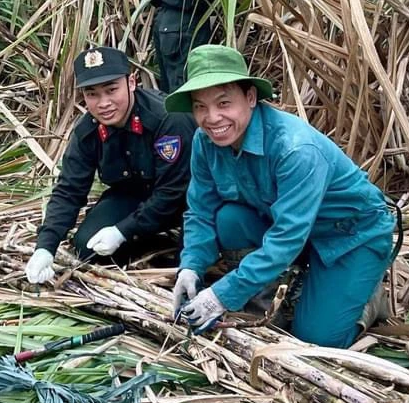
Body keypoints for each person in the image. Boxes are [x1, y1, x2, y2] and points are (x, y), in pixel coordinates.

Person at [167, 45, 396, 348]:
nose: (212, 118)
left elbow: (287, 238)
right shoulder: (205, 141)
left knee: (317, 340)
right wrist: (191, 265)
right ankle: (267, 302)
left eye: (224, 103)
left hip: (349, 237)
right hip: (287, 228)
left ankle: (369, 299)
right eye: (200, 107)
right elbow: (200, 210)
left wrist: (221, 295)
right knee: (229, 218)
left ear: (250, 98)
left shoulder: (295, 149)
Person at [24, 46, 196, 284]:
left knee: (187, 266)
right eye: (92, 94)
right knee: (87, 247)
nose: (103, 103)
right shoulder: (88, 130)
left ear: (132, 82)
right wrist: (45, 247)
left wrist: (122, 231)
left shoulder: (167, 119)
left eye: (112, 89)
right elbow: (69, 190)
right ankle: (153, 245)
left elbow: (173, 192)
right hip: (134, 197)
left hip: (186, 201)